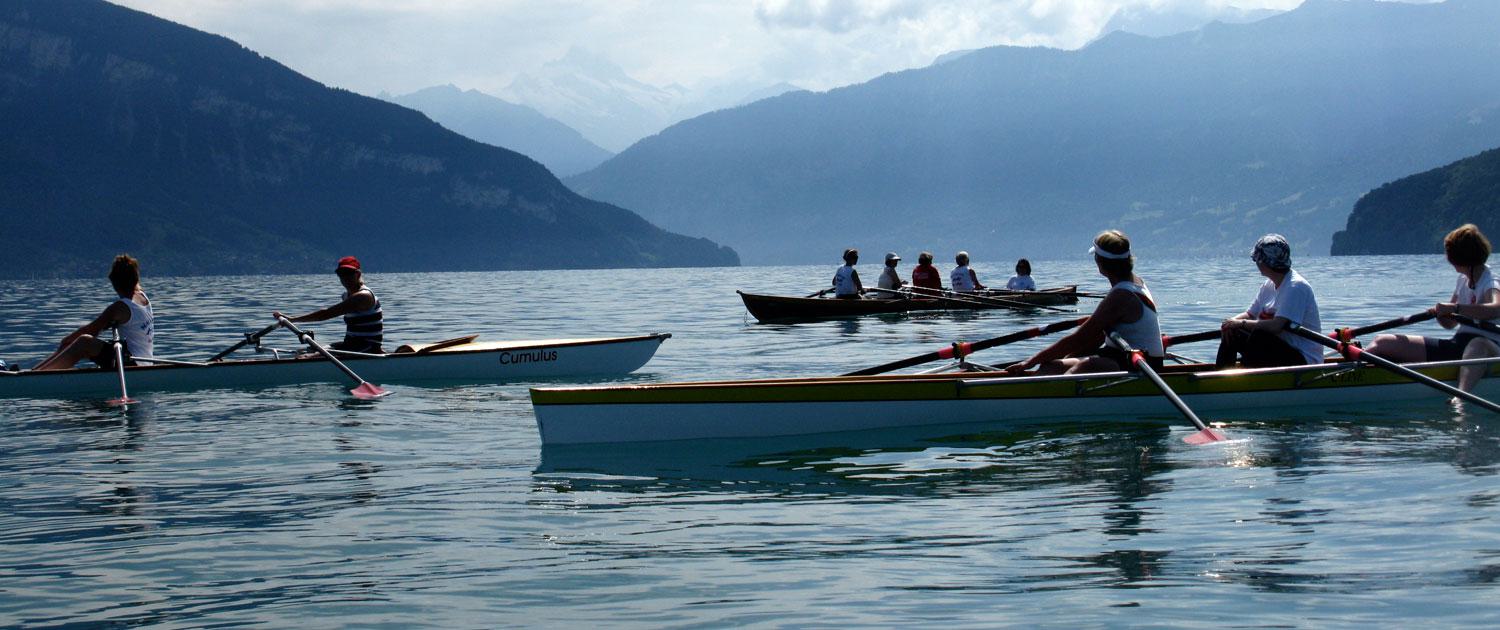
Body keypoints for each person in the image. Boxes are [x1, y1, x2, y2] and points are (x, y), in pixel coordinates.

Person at [1006, 230, 1163, 375]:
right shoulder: (1135, 282)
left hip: (1143, 365)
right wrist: (1064, 358)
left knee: (1083, 367)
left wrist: (1029, 362)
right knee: (1053, 366)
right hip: (1120, 355)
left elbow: (1078, 339)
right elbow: (1097, 338)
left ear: (1100, 261)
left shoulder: (1121, 296)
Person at [1367, 224, 1500, 392]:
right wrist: (1440, 314)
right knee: (1381, 342)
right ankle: (1357, 376)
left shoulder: (1491, 282)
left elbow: (1496, 308)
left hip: (1489, 349)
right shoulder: (1463, 280)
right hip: (1457, 346)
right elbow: (1450, 325)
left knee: (1477, 344)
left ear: (1461, 256)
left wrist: (1456, 308)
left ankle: (1459, 399)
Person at [1215, 234, 1322, 369]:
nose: (1256, 263)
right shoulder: (1268, 285)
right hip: (1278, 352)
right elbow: (1250, 314)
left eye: (1256, 259)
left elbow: (1276, 326)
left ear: (1264, 261)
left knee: (1260, 335)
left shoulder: (1296, 287)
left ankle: (1243, 377)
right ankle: (1222, 375)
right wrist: (1230, 323)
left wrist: (1239, 323)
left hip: (1303, 360)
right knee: (1232, 332)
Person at [35, 255, 154, 371]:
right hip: (145, 361)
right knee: (78, 344)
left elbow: (92, 330)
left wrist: (67, 340)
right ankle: (36, 371)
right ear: (135, 279)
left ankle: (37, 376)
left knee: (83, 342)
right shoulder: (143, 297)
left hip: (133, 364)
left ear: (115, 283)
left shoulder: (119, 307)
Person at [274, 256, 385, 354]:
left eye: (349, 273)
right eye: (341, 273)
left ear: (358, 274)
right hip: (351, 344)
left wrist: (292, 320)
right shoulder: (346, 295)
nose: (345, 277)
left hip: (368, 347)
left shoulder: (363, 296)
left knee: (312, 356)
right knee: (310, 350)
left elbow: (326, 314)